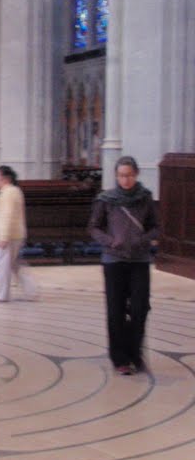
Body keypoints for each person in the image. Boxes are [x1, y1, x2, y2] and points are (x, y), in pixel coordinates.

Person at [88, 155, 159, 375]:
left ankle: (135, 353)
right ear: (116, 176)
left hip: (139, 260)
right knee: (115, 310)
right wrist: (111, 242)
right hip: (114, 261)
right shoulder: (106, 199)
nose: (125, 180)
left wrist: (142, 240)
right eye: (121, 175)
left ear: (136, 175)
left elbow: (155, 228)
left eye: (128, 175)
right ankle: (120, 358)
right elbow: (94, 227)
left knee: (139, 309)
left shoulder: (145, 199)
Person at [0, 165, 38, 303]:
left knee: (2, 266)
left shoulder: (8, 193)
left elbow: (7, 216)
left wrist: (3, 237)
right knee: (15, 265)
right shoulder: (15, 191)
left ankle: (1, 295)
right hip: (16, 234)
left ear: (6, 178)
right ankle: (31, 292)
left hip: (9, 236)